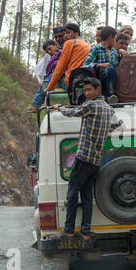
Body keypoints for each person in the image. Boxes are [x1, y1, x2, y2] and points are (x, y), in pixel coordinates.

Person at [49, 77, 114, 241]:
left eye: (89, 90)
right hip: (95, 161)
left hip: (83, 157)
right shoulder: (108, 108)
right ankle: (85, 231)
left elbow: (72, 112)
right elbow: (117, 124)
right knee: (86, 197)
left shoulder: (90, 105)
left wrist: (59, 108)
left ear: (98, 90)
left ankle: (69, 230)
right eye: (84, 91)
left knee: (72, 194)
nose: (86, 93)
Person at [44, 23, 91, 93]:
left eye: (68, 33)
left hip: (71, 81)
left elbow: (60, 67)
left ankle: (37, 102)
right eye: (64, 34)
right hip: (86, 80)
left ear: (76, 33)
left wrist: (49, 87)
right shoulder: (87, 45)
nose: (65, 36)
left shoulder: (69, 43)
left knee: (55, 77)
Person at [83, 26, 119, 103]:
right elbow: (85, 65)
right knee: (109, 69)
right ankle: (108, 96)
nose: (115, 41)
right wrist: (99, 65)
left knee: (111, 70)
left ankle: (110, 97)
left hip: (112, 80)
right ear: (110, 37)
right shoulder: (95, 49)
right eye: (115, 39)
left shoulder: (114, 52)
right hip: (99, 78)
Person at [28, 40, 62, 113]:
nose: (49, 52)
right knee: (47, 81)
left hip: (62, 74)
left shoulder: (62, 53)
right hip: (55, 77)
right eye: (47, 51)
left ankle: (36, 104)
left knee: (47, 81)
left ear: (56, 45)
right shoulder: (52, 59)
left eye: (50, 49)